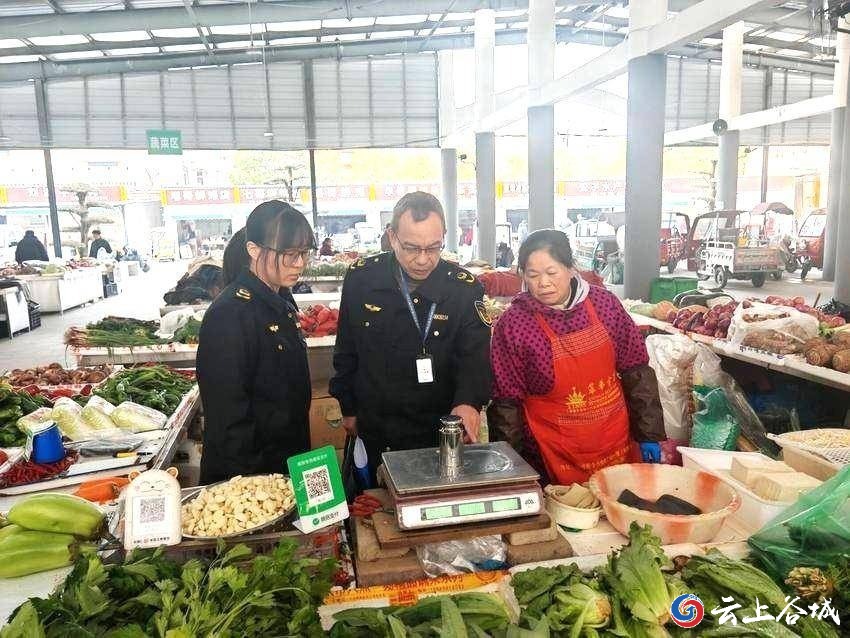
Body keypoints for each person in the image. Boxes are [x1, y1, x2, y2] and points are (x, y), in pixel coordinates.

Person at [330, 191, 492, 472]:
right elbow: (347, 349)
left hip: (440, 430)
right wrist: (349, 407)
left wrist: (468, 402)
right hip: (378, 426)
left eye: (433, 248)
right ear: (392, 237)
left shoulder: (463, 288)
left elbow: (474, 357)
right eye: (412, 248)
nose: (423, 259)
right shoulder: (362, 279)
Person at [488, 229, 665, 485]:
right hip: (551, 452)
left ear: (571, 268)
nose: (543, 283)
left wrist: (649, 432)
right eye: (533, 275)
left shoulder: (604, 304)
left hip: (614, 441)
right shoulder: (514, 323)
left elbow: (635, 369)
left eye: (551, 272)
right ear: (523, 275)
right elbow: (506, 402)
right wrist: (512, 467)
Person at [196, 200, 317, 483]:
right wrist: (258, 489)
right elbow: (228, 419)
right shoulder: (230, 314)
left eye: (303, 253)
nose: (299, 263)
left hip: (287, 461)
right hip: (250, 478)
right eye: (288, 254)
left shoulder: (281, 300)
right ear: (253, 249)